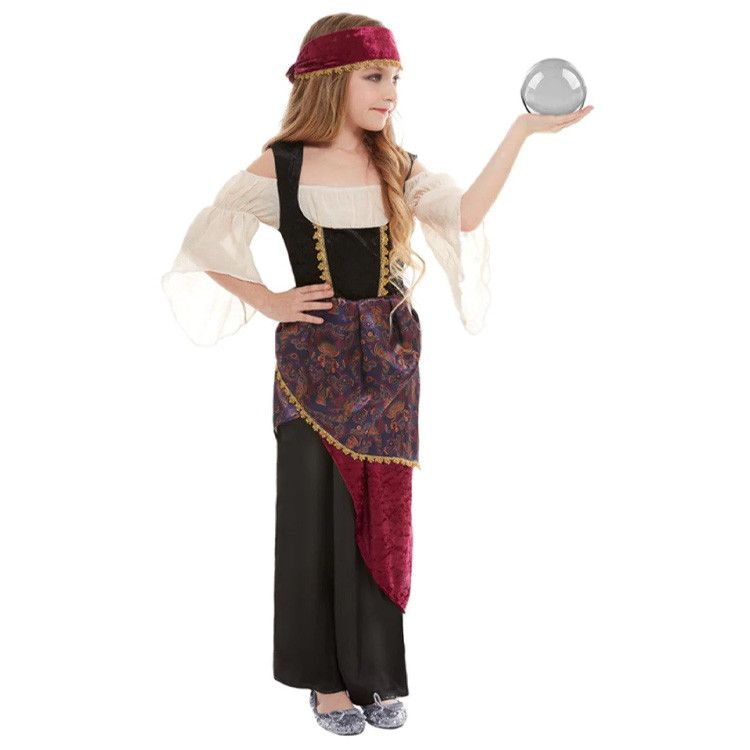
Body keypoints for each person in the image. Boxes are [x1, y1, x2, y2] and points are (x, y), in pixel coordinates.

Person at [161, 12, 593, 737]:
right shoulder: (283, 164)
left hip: (388, 366)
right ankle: (327, 683)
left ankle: (375, 675)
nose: (390, 90)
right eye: (374, 76)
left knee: (381, 515)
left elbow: (465, 215)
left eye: (395, 77)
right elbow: (205, 243)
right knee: (314, 516)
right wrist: (270, 299)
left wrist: (521, 132)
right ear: (329, 80)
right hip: (310, 369)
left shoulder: (397, 165)